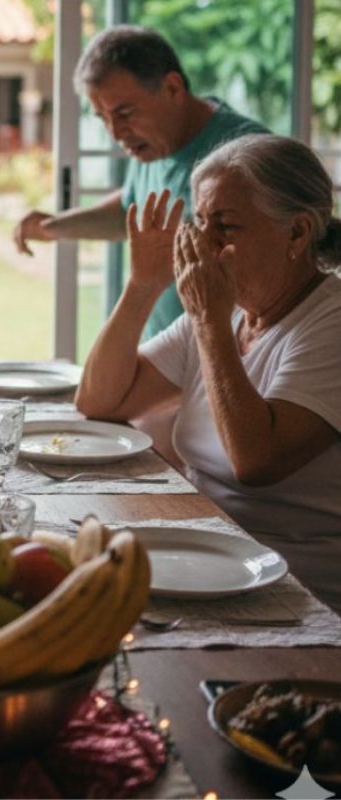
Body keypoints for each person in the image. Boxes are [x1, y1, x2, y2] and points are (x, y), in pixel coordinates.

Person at [76, 134, 341, 611]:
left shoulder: (326, 322)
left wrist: (208, 321)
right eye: (200, 222)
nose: (204, 243)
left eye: (226, 226)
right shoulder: (228, 311)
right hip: (205, 553)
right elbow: (100, 400)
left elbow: (256, 461)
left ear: (298, 234)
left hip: (298, 590)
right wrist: (142, 284)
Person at [13, 25, 267, 338]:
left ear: (172, 88)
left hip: (224, 356)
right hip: (161, 354)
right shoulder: (153, 145)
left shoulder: (246, 154)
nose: (115, 133)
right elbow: (129, 212)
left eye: (125, 113)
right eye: (103, 118)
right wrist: (54, 226)